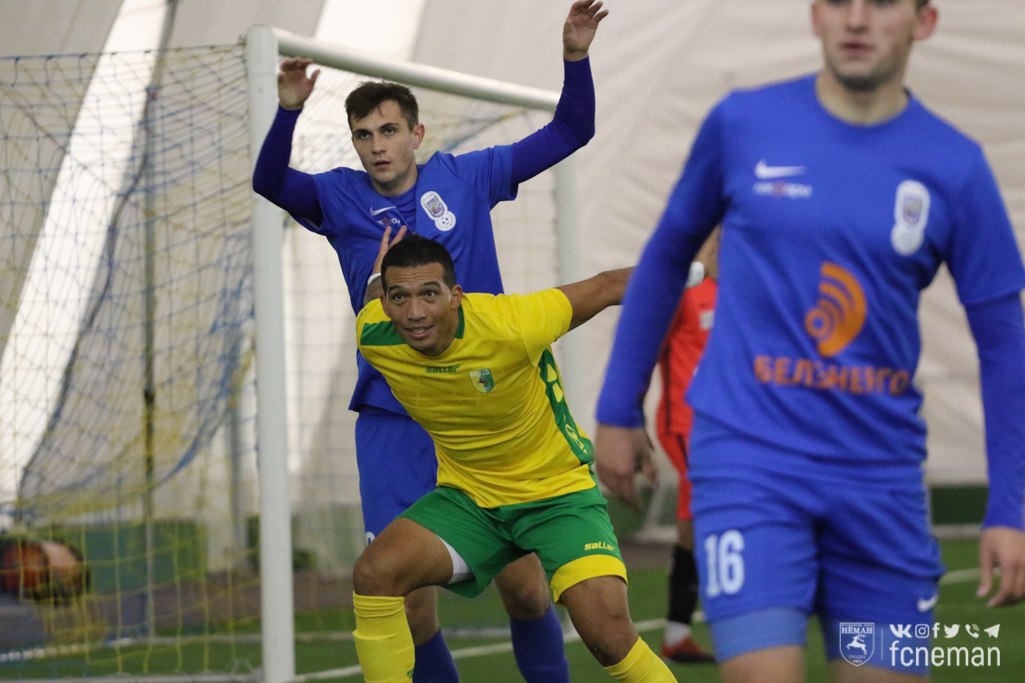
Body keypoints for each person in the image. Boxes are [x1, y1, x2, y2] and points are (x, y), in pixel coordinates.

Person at [593, 2, 1025, 682]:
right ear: (816, 15)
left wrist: (1010, 506)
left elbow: (1003, 343)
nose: (857, 19)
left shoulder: (955, 166)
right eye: (840, 2)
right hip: (748, 464)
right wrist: (618, 407)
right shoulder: (742, 123)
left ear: (924, 21)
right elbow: (667, 256)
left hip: (880, 481)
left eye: (881, 3)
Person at [252, 3, 607, 681]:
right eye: (363, 135)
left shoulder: (467, 176)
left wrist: (575, 57)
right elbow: (269, 183)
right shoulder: (339, 199)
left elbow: (572, 129)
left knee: (528, 591)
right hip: (394, 418)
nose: (377, 145)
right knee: (406, 603)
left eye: (388, 130)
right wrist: (289, 111)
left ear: (416, 133)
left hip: (483, 412)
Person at [351, 233, 678, 683]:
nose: (415, 312)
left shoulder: (513, 323)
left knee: (608, 637)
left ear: (455, 296)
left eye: (429, 294)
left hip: (557, 496)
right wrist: (376, 275)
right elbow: (372, 299)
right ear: (386, 304)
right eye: (400, 298)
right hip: (470, 501)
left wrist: (696, 270)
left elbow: (607, 285)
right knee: (374, 574)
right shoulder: (373, 334)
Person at [654, 230, 719, 665]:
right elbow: (644, 351)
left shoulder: (725, 291)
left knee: (692, 527)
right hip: (683, 425)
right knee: (716, 515)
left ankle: (677, 636)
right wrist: (628, 420)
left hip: (719, 428)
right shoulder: (679, 293)